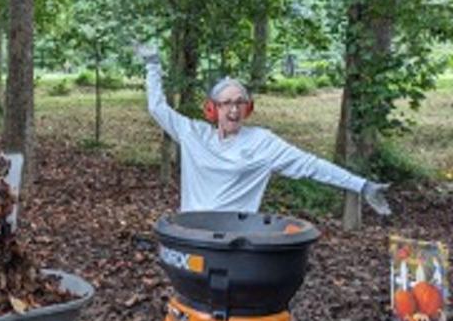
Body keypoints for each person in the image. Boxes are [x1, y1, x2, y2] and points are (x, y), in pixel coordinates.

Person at [135, 44, 391, 215]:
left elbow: (311, 165)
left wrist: (362, 185)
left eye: (240, 103)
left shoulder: (262, 142)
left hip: (236, 238)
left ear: (248, 108)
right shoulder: (193, 134)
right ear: (212, 109)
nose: (233, 110)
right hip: (192, 233)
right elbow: (157, 107)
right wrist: (153, 64)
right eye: (226, 104)